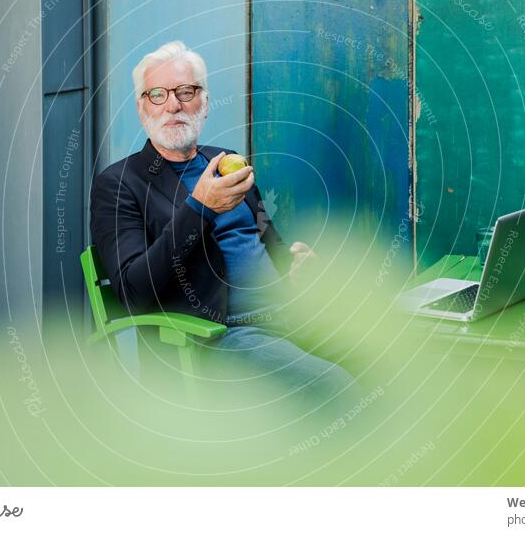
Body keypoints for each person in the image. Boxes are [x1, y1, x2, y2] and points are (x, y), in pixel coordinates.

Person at [90, 41, 358, 415]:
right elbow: (134, 291)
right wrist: (200, 207)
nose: (173, 105)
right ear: (141, 107)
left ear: (204, 101)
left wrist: (294, 264)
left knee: (390, 362)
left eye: (186, 91)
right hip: (217, 336)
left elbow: (266, 237)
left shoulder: (225, 161)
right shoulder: (120, 184)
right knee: (341, 391)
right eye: (157, 94)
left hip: (288, 316)